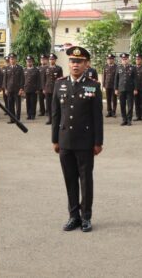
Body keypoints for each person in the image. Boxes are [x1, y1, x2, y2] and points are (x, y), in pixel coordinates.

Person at [52, 46, 103, 233]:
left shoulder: (93, 86)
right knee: (70, 179)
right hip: (65, 141)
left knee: (85, 180)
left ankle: (86, 217)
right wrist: (55, 140)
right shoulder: (60, 84)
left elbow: (97, 117)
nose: (75, 65)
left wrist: (98, 142)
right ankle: (73, 215)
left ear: (86, 64)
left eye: (79, 62)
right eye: (72, 61)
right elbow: (55, 114)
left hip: (85, 142)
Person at [114, 53, 137, 126]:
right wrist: (116, 89)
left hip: (130, 89)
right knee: (122, 105)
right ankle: (124, 119)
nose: (124, 60)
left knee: (130, 105)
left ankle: (129, 120)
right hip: (121, 89)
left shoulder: (133, 68)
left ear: (128, 59)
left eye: (126, 59)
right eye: (123, 59)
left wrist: (135, 89)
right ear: (121, 60)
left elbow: (135, 79)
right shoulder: (118, 68)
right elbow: (116, 79)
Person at [3, 53, 24, 124]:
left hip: (17, 90)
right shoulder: (7, 68)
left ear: (16, 59)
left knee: (18, 105)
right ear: (9, 60)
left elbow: (22, 79)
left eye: (13, 59)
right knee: (10, 105)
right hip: (9, 89)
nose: (12, 60)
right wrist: (5, 89)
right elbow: (5, 79)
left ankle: (17, 119)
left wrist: (21, 89)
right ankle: (12, 119)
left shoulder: (19, 68)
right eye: (11, 59)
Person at [44, 53, 63, 125]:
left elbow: (61, 78)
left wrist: (60, 88)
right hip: (48, 89)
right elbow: (44, 79)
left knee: (56, 105)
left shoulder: (59, 68)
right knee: (48, 105)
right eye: (50, 59)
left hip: (55, 89)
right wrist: (44, 88)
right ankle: (50, 119)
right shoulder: (46, 68)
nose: (51, 61)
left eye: (52, 59)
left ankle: (56, 119)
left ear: (55, 60)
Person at [22, 56, 41, 120]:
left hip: (34, 89)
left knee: (33, 102)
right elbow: (22, 80)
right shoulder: (24, 70)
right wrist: (22, 89)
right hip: (26, 89)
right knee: (28, 103)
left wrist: (38, 89)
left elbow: (38, 80)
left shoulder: (36, 70)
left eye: (30, 61)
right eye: (27, 62)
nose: (29, 63)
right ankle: (28, 114)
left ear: (32, 62)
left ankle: (33, 114)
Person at [133, 54, 142, 122]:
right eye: (136, 59)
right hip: (135, 88)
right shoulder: (133, 68)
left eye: (139, 59)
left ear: (141, 60)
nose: (137, 60)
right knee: (136, 102)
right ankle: (137, 116)